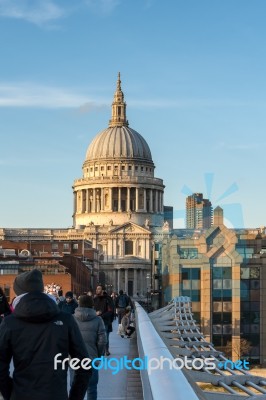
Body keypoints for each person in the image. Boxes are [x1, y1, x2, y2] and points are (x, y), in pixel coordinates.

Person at [0, 269, 91, 400]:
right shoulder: (66, 320)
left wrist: (11, 394)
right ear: (41, 289)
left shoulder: (9, 323)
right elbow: (84, 366)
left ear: (18, 293)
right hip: (56, 394)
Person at [74, 295, 107, 400]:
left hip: (74, 359)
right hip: (91, 358)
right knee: (92, 388)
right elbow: (103, 340)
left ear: (79, 304)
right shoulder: (98, 320)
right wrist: (99, 356)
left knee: (74, 388)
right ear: (92, 305)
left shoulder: (71, 318)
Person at [93, 285, 113, 356]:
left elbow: (110, 311)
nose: (97, 290)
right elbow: (92, 309)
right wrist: (94, 313)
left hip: (105, 321)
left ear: (103, 290)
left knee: (105, 337)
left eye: (98, 289)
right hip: (96, 321)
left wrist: (101, 315)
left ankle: (106, 350)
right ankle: (100, 351)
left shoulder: (108, 299)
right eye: (96, 289)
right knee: (97, 337)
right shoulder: (95, 299)